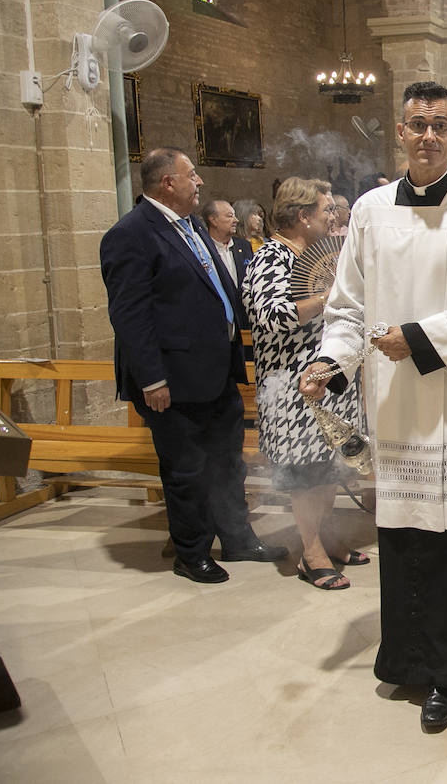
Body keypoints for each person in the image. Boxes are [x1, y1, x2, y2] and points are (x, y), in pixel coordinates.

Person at [299, 81, 447, 733]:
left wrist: (417, 338)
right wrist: (331, 360)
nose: (427, 135)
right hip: (394, 405)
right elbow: (347, 306)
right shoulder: (368, 211)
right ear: (401, 130)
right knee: (401, 537)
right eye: (417, 123)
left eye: (439, 125)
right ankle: (405, 656)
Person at [100, 148, 288, 584]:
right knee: (187, 470)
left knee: (227, 463)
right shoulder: (131, 234)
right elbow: (130, 315)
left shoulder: (190, 227)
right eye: (192, 175)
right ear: (168, 182)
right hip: (173, 377)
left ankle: (238, 538)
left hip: (216, 370)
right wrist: (152, 378)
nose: (199, 182)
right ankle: (192, 552)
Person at [241, 178, 365, 591]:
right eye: (325, 210)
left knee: (328, 468)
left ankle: (329, 541)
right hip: (291, 389)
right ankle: (310, 554)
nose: (332, 217)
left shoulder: (316, 253)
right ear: (300, 215)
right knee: (304, 474)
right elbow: (270, 317)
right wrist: (328, 298)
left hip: (327, 380)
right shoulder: (270, 258)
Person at [202, 199, 253, 288]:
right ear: (213, 220)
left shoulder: (244, 246)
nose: (236, 220)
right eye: (230, 216)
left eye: (235, 216)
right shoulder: (203, 249)